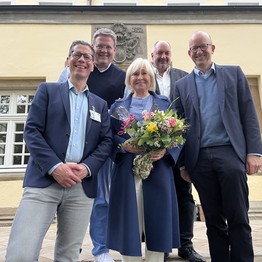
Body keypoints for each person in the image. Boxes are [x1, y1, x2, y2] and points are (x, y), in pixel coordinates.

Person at [5, 40, 113, 262]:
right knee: (21, 254)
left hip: (81, 187)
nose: (82, 60)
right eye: (77, 55)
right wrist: (56, 167)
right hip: (43, 182)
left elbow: (106, 142)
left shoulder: (99, 105)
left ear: (92, 66)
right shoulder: (47, 91)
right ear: (68, 61)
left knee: (68, 256)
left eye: (87, 57)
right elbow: (32, 132)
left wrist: (86, 168)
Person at [173, 31, 262, 262]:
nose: (199, 51)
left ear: (213, 48)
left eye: (203, 46)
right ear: (189, 53)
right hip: (199, 159)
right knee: (212, 220)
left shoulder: (233, 74)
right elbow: (179, 129)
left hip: (230, 153)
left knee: (238, 216)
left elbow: (249, 115)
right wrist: (182, 164)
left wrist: (254, 152)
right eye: (194, 48)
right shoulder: (182, 85)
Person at [57, 28, 126, 262]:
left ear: (114, 51)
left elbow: (125, 115)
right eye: (100, 46)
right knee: (68, 199)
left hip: (102, 149)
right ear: (93, 47)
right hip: (72, 145)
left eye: (108, 46)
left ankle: (101, 249)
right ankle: (71, 249)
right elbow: (58, 102)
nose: (103, 50)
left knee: (101, 199)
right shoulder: (77, 68)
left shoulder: (122, 78)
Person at [107, 57, 182, 262]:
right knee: (129, 222)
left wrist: (165, 150)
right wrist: (123, 146)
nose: (140, 78)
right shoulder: (117, 107)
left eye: (144, 73)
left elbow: (178, 136)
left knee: (157, 223)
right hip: (126, 172)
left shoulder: (164, 104)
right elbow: (107, 137)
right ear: (129, 79)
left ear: (151, 78)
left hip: (158, 171)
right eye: (135, 74)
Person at [151, 40, 206, 262]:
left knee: (184, 196)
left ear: (171, 55)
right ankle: (161, 246)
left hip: (180, 149)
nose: (163, 57)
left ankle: (186, 245)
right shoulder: (143, 74)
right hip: (152, 150)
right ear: (151, 55)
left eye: (166, 53)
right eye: (159, 53)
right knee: (157, 198)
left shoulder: (184, 76)